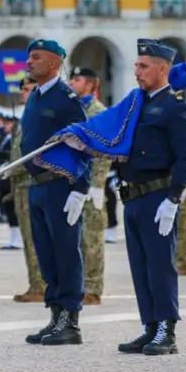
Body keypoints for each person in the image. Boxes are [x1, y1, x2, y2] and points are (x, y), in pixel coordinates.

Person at [114, 39, 186, 356]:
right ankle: (149, 325)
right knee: (140, 265)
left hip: (157, 197)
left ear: (163, 69)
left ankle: (166, 327)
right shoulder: (136, 106)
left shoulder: (176, 109)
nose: (137, 71)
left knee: (160, 265)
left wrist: (173, 198)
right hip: (132, 197)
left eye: (143, 66)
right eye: (136, 65)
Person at [19, 39, 90, 346]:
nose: (29, 62)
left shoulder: (66, 98)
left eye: (35, 58)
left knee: (65, 253)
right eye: (28, 57)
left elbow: (85, 143)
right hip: (37, 185)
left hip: (61, 185)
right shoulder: (35, 96)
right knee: (47, 255)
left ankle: (70, 321)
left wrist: (81, 189)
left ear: (53, 64)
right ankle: (55, 313)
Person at [68, 66, 110, 304]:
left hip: (90, 183)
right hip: (72, 181)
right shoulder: (75, 110)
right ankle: (79, 285)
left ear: (91, 85)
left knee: (91, 238)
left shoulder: (99, 113)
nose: (72, 82)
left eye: (77, 79)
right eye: (72, 78)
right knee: (75, 238)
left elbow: (103, 151)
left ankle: (93, 288)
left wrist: (97, 184)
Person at [10, 77, 47, 303]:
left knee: (36, 237)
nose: (23, 92)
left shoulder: (40, 117)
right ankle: (35, 283)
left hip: (32, 181)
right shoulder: (27, 115)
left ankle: (41, 284)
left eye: (28, 89)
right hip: (20, 184)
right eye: (22, 89)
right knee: (27, 237)